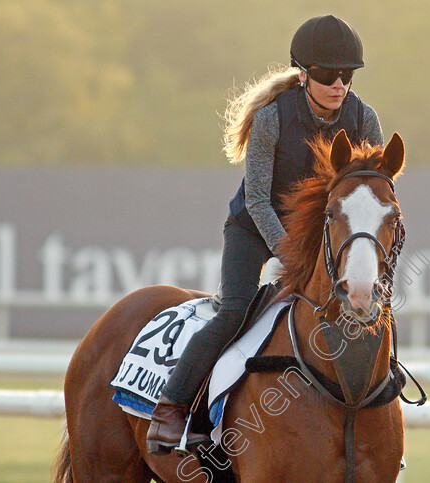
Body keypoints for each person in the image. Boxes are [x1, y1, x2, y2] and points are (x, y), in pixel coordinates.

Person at [146, 14, 385, 454]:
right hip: (255, 229)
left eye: (347, 75)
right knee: (233, 311)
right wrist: (291, 254)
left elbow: (371, 196)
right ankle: (170, 411)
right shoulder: (272, 118)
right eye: (328, 74)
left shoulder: (365, 119)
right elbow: (257, 200)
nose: (339, 85)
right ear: (303, 73)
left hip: (324, 238)